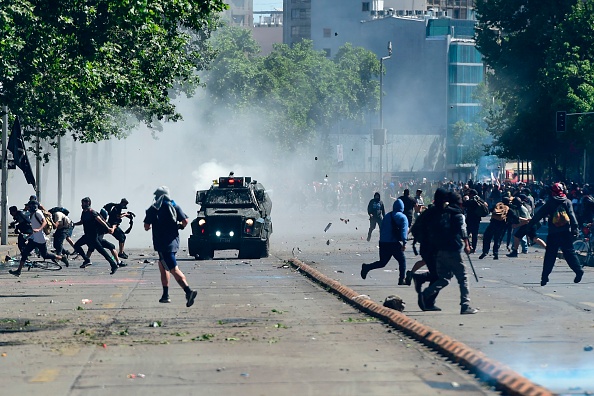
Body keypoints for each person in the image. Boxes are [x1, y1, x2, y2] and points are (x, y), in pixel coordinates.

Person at [420, 191, 478, 314]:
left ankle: (426, 293)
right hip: (454, 249)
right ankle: (465, 305)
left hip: (440, 249)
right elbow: (463, 231)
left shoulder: (442, 213)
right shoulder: (458, 214)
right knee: (463, 278)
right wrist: (467, 245)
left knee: (444, 278)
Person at [144, 186, 197, 307]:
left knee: (173, 269)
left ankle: (188, 291)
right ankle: (165, 295)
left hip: (162, 245)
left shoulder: (153, 209)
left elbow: (146, 226)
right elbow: (185, 221)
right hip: (174, 243)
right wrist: (178, 226)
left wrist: (153, 225)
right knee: (163, 266)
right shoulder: (175, 206)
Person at [526, 183, 584, 286]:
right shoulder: (567, 202)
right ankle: (578, 270)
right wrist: (575, 229)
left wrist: (529, 226)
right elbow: (572, 216)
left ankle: (544, 277)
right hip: (566, 232)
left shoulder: (550, 202)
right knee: (570, 253)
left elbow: (538, 215)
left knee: (550, 256)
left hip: (553, 233)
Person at [406, 188, 449, 311]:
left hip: (426, 248)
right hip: (432, 249)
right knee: (441, 276)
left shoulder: (428, 212)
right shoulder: (438, 214)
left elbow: (414, 229)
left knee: (437, 275)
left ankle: (422, 284)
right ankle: (427, 298)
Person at [9, 201, 69, 277]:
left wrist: (39, 229)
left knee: (45, 255)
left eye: (29, 206)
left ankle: (61, 258)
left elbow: (44, 222)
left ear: (33, 206)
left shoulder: (38, 213)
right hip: (34, 238)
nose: (28, 208)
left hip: (40, 238)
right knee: (25, 253)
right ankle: (18, 271)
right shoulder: (32, 214)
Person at [360, 198, 409, 285]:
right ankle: (402, 279)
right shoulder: (403, 217)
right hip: (393, 243)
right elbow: (404, 231)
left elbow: (382, 229)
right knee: (402, 260)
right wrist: (404, 243)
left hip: (383, 243)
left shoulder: (387, 216)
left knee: (382, 262)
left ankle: (367, 267)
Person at [72, 197, 119, 274]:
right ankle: (87, 260)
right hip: (87, 235)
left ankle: (113, 264)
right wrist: (74, 224)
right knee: (76, 245)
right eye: (82, 203)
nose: (82, 205)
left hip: (93, 236)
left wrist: (108, 228)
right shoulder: (84, 212)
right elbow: (82, 221)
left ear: (88, 203)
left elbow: (100, 221)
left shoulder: (92, 212)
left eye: (84, 203)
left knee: (102, 251)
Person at [463, 189, 487, 253]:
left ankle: (469, 246)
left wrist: (465, 199)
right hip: (477, 219)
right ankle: (474, 247)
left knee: (466, 234)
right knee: (475, 234)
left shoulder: (472, 201)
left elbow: (465, 204)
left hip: (470, 219)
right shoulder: (480, 200)